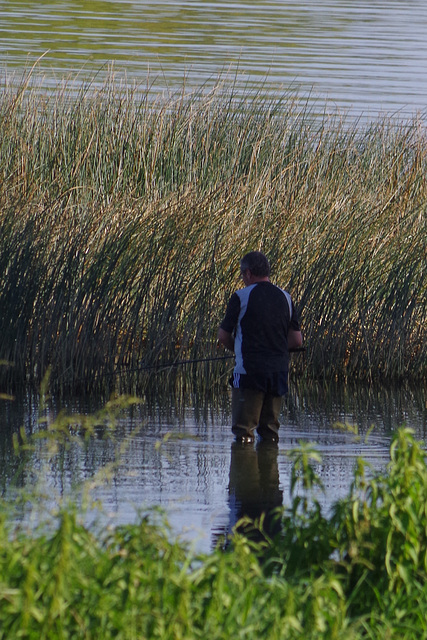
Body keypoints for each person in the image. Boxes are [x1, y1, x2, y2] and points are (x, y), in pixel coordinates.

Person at [218, 251, 302, 443]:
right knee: (270, 434)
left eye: (241, 273)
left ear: (248, 273)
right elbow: (297, 340)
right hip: (278, 373)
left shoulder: (241, 297)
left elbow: (223, 336)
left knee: (243, 434)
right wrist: (276, 349)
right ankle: (269, 470)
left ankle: (244, 469)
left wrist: (238, 350)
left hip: (249, 373)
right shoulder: (286, 297)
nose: (242, 277)